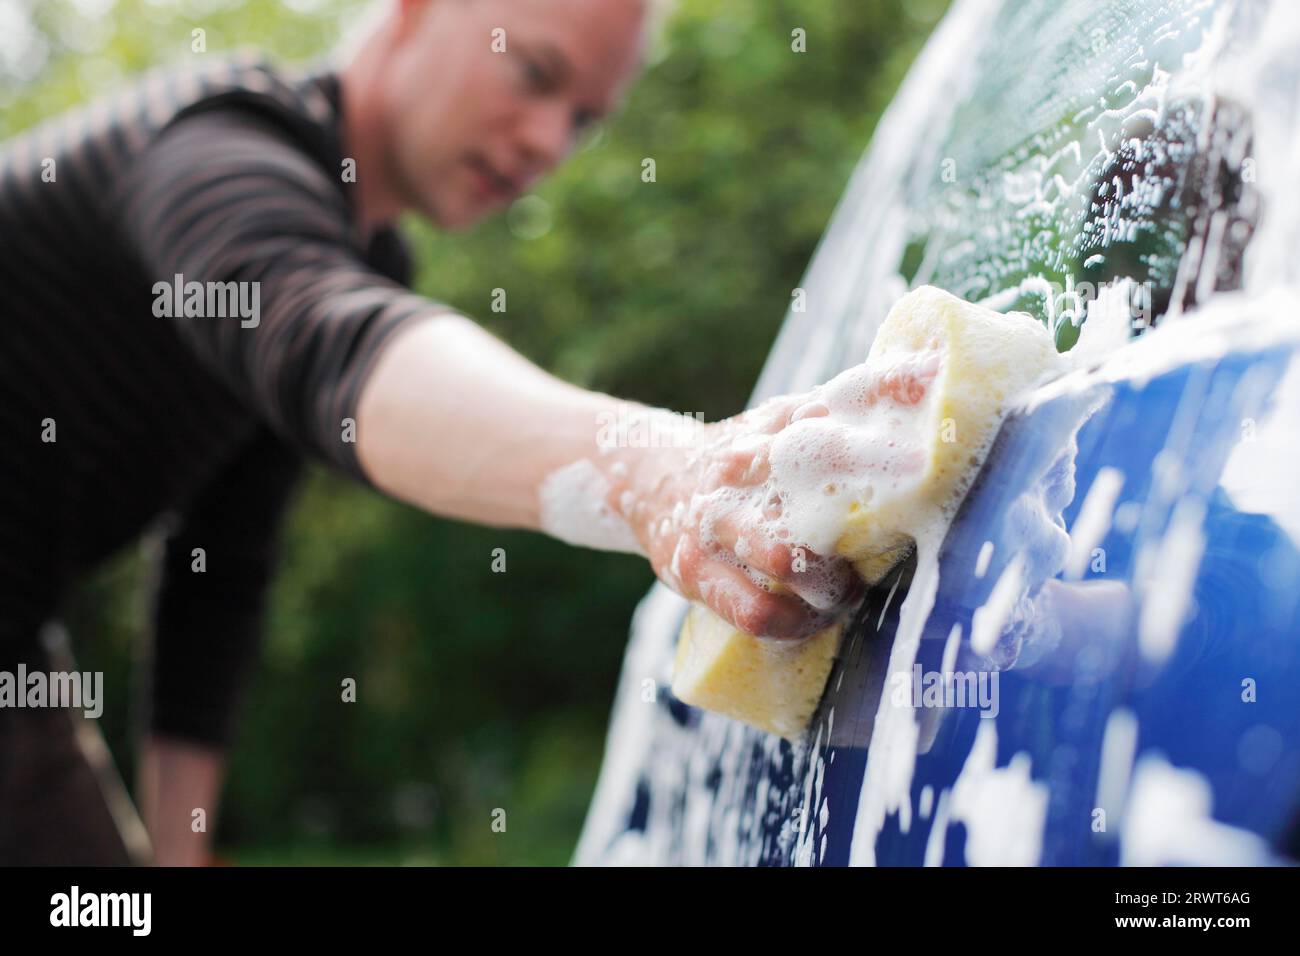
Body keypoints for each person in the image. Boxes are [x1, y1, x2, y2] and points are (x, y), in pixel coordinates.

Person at [0, 0, 901, 865]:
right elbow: (328, 340)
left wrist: (176, 847)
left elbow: (218, 568)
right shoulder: (215, 145)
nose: (548, 142)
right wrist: (663, 474)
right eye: (535, 73)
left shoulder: (351, 246)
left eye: (583, 120)